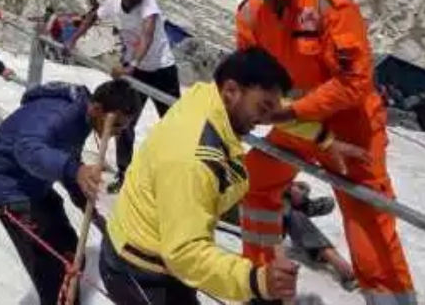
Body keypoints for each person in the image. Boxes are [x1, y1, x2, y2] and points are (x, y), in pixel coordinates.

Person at [100, 47, 364, 304]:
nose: (266, 118)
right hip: (139, 269)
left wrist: (324, 139)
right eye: (262, 108)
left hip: (159, 248)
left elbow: (277, 109)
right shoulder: (193, 159)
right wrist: (256, 281)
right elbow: (184, 252)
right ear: (231, 91)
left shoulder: (208, 98)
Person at [235, 0, 417, 304]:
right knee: (255, 182)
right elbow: (251, 74)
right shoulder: (250, 14)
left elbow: (354, 81)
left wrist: (294, 111)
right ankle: (263, 282)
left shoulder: (331, 7)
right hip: (296, 125)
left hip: (351, 126)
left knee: (367, 217)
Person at [0, 79, 142, 305]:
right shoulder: (59, 116)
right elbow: (27, 149)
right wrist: (73, 170)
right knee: (51, 268)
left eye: (123, 128)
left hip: (35, 184)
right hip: (9, 189)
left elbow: (68, 156)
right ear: (97, 109)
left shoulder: (83, 118)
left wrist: (85, 202)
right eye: (116, 126)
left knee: (70, 253)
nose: (116, 133)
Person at [65, 0, 181, 193]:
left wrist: (131, 65)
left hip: (162, 70)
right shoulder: (113, 4)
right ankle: (124, 173)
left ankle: (174, 177)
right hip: (135, 71)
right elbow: (92, 17)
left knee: (174, 124)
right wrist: (73, 40)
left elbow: (147, 36)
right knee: (124, 122)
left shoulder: (149, 5)